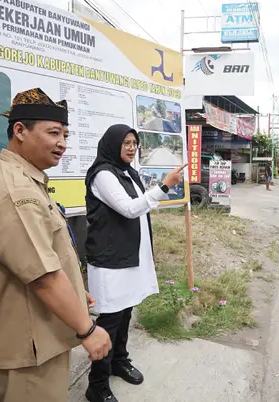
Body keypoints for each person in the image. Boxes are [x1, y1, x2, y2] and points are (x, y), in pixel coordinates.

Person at [0, 88, 112, 402]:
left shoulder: (26, 179)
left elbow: (43, 254)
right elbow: (43, 277)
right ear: (20, 131)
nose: (62, 143)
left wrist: (73, 288)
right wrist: (88, 330)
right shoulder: (14, 190)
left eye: (65, 135)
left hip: (40, 338)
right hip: (27, 350)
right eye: (53, 132)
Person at [83, 124, 186, 402]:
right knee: (110, 320)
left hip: (129, 256)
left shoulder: (127, 172)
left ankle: (119, 360)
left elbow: (140, 205)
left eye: (134, 143)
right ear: (112, 144)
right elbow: (129, 209)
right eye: (126, 142)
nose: (131, 147)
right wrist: (164, 186)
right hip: (110, 261)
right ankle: (97, 384)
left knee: (126, 312)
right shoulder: (103, 175)